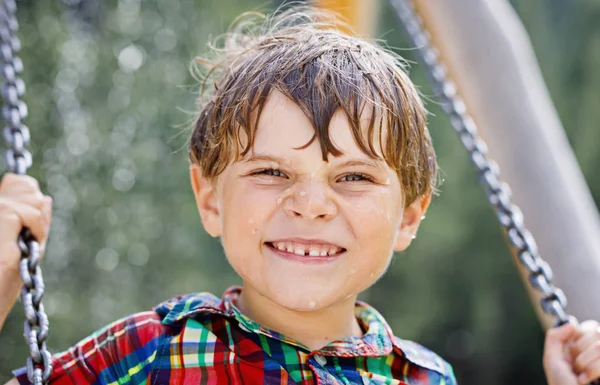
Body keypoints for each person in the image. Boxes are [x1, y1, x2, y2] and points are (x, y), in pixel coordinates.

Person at [1, 6, 600, 385]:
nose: (311, 204)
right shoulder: (152, 353)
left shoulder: (423, 377)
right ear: (210, 198)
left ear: (409, 217)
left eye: (354, 177)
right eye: (271, 172)